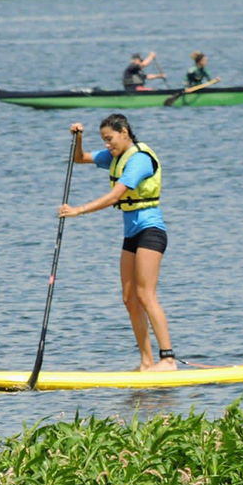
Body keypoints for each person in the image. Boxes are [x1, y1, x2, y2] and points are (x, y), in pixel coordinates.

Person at [58, 115, 176, 372]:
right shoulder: (115, 156)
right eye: (104, 140)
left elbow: (115, 197)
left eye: (109, 139)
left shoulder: (140, 160)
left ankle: (167, 360)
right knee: (129, 298)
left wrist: (79, 210)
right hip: (132, 234)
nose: (107, 145)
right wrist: (78, 138)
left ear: (124, 132)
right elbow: (80, 158)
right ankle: (146, 363)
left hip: (151, 231)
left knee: (146, 295)